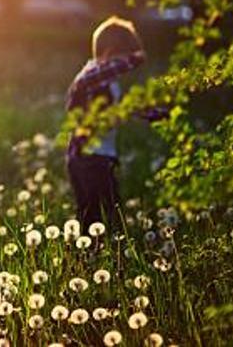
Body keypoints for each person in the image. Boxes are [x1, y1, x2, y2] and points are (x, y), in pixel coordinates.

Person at [65, 16, 167, 233]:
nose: (125, 69)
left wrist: (156, 114)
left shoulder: (108, 83)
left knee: (109, 214)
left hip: (103, 157)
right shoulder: (90, 76)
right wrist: (135, 58)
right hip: (86, 159)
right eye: (121, 60)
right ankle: (84, 259)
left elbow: (127, 107)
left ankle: (96, 257)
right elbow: (93, 78)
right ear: (109, 53)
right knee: (95, 216)